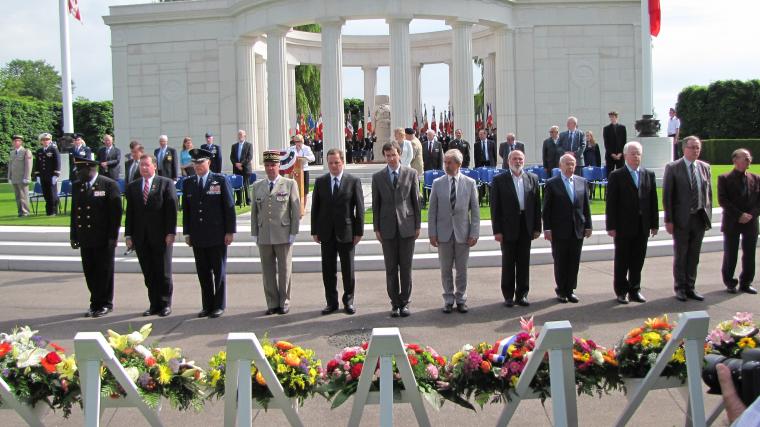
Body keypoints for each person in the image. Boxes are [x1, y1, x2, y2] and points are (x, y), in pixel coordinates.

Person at [183, 148, 236, 318]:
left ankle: (219, 305)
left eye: (201, 162)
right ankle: (207, 305)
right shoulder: (189, 182)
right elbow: (187, 210)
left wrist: (229, 231)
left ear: (209, 163)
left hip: (217, 235)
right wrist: (187, 233)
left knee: (218, 272)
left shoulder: (219, 180)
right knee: (203, 272)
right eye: (195, 163)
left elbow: (229, 207)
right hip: (198, 236)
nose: (198, 166)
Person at [311, 148, 364, 315]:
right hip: (326, 233)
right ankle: (331, 302)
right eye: (331, 163)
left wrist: (359, 231)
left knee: (348, 270)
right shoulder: (320, 182)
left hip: (347, 232)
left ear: (343, 162)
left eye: (337, 162)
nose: (334, 166)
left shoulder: (353, 181)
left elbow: (360, 209)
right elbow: (315, 208)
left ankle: (348, 301)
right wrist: (314, 230)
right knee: (328, 270)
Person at [605, 141, 659, 304]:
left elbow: (653, 201)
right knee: (622, 260)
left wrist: (654, 224)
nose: (636, 156)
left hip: (642, 225)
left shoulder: (648, 174)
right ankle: (621, 291)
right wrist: (611, 226)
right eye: (633, 153)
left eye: (638, 154)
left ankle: (635, 289)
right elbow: (611, 203)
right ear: (625, 155)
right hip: (623, 226)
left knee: (638, 260)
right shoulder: (616, 175)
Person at [372, 141, 421, 317]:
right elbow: (376, 205)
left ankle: (405, 302)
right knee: (391, 268)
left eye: (394, 154)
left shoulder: (411, 174)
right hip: (387, 228)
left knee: (406, 267)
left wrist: (417, 225)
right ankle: (394, 303)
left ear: (399, 154)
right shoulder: (378, 177)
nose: (391, 158)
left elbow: (416, 202)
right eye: (388, 155)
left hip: (407, 227)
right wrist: (376, 227)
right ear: (384, 157)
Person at [125, 154, 178, 317]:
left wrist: (171, 232)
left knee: (163, 272)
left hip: (161, 236)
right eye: (141, 165)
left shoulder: (165, 183)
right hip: (141, 237)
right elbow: (130, 213)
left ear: (154, 166)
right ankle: (154, 304)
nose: (144, 168)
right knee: (149, 273)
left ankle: (165, 304)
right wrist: (128, 235)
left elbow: (171, 210)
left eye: (147, 165)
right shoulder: (133, 187)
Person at [69, 156, 122, 318]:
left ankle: (105, 303)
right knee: (90, 271)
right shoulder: (78, 186)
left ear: (91, 169)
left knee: (104, 271)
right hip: (86, 236)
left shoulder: (108, 185)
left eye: (80, 170)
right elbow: (75, 212)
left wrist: (113, 237)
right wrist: (74, 235)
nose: (78, 173)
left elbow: (115, 214)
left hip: (103, 237)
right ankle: (95, 302)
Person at [429, 149, 479, 313]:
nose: (446, 165)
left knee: (462, 269)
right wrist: (432, 233)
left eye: (449, 162)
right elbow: (432, 211)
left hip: (463, 233)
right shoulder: (437, 183)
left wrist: (474, 233)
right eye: (445, 162)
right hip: (443, 233)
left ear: (458, 164)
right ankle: (448, 299)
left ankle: (461, 298)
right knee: (445, 269)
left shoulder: (470, 183)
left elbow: (475, 211)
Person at [663, 136, 713, 301]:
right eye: (692, 147)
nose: (695, 150)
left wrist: (708, 217)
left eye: (698, 147)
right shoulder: (673, 168)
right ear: (684, 149)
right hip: (681, 219)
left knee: (694, 255)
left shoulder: (705, 167)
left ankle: (691, 287)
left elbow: (708, 195)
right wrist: (668, 220)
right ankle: (680, 287)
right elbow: (667, 196)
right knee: (681, 254)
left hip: (699, 217)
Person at [251, 150, 300, 315]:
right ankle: (272, 302)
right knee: (268, 270)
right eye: (267, 165)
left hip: (283, 233)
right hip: (264, 233)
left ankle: (284, 301)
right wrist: (254, 232)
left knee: (285, 269)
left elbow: (295, 210)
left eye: (273, 165)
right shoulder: (257, 186)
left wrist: (294, 232)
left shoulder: (289, 184)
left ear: (279, 165)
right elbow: (254, 212)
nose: (270, 168)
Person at [491, 149, 542, 307]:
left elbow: (536, 205)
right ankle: (508, 295)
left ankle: (522, 294)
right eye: (514, 159)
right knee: (508, 262)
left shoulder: (532, 178)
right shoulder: (500, 180)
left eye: (520, 159)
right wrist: (497, 231)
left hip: (526, 225)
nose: (518, 162)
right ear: (508, 161)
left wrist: (536, 228)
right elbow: (495, 208)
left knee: (523, 261)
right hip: (507, 227)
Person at [543, 153, 592, 303]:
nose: (570, 167)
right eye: (567, 164)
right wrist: (547, 228)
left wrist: (588, 225)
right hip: (559, 230)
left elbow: (586, 206)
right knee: (560, 260)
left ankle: (570, 290)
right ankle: (561, 290)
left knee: (574, 261)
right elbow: (547, 209)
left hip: (577, 228)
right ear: (560, 166)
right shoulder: (552, 183)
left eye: (573, 164)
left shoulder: (582, 181)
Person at [718, 148, 759, 295]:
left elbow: (758, 201)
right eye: (745, 158)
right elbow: (723, 200)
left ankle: (746, 282)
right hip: (732, 221)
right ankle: (730, 282)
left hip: (751, 221)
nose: (748, 160)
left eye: (749, 158)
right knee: (731, 253)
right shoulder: (724, 178)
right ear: (735, 160)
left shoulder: (756, 178)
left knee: (749, 253)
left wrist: (750, 215)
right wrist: (739, 215)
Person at [33, 133, 61, 216]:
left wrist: (56, 175)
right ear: (41, 141)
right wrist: (37, 176)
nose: (45, 141)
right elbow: (37, 164)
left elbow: (57, 162)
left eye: (47, 139)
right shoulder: (39, 151)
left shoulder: (54, 149)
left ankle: (54, 211)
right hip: (43, 176)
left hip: (51, 175)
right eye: (43, 140)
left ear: (50, 140)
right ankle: (48, 211)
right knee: (46, 194)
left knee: (52, 194)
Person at [8, 135, 33, 217]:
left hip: (23, 177)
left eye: (18, 141)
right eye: (14, 141)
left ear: (21, 142)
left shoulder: (26, 151)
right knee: (17, 197)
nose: (16, 142)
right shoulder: (12, 152)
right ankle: (20, 212)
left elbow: (28, 165)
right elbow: (10, 165)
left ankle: (25, 212)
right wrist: (9, 177)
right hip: (14, 178)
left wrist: (27, 177)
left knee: (24, 196)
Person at [230, 130, 253, 206]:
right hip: (236, 168)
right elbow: (232, 157)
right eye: (239, 134)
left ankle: (248, 200)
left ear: (245, 136)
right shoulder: (234, 146)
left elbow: (249, 157)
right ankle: (239, 201)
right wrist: (236, 164)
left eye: (241, 135)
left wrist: (241, 164)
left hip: (245, 168)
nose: (240, 136)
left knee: (246, 185)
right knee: (237, 185)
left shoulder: (249, 145)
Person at [289, 134, 316, 200]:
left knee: (305, 191)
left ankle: (303, 208)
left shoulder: (306, 148)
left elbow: (313, 158)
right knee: (295, 190)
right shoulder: (291, 149)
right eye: (296, 141)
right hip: (294, 170)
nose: (297, 143)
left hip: (304, 170)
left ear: (302, 141)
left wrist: (305, 158)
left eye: (299, 141)